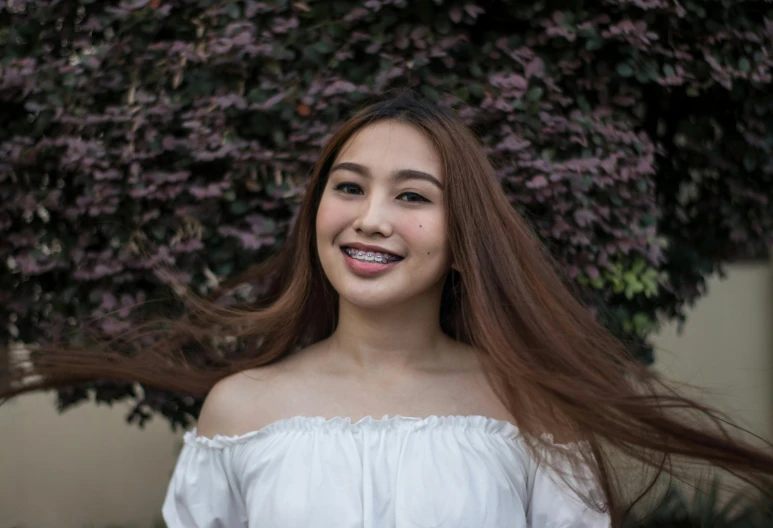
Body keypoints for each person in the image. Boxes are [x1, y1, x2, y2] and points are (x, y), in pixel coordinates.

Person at [3, 91, 773, 527]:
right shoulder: (239, 411)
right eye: (348, 187)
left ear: (465, 239)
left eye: (411, 196)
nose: (370, 218)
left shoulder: (529, 406)